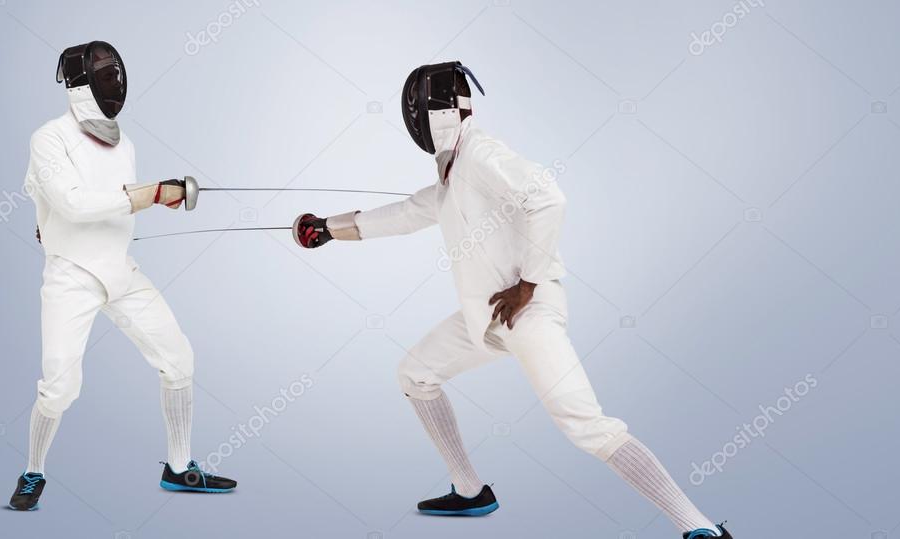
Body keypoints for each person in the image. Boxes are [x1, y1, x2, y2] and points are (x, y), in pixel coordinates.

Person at [293, 61, 730, 538]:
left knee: (586, 426)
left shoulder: (480, 154)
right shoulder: (453, 172)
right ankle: (469, 490)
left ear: (429, 111)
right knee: (416, 373)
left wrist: (530, 282)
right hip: (487, 318)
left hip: (528, 313)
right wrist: (328, 229)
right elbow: (405, 214)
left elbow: (548, 199)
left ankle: (699, 528)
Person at [9, 41, 236, 511]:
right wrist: (152, 192)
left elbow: (111, 202)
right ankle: (33, 470)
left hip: (122, 272)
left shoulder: (124, 141)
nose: (113, 83)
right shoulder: (48, 137)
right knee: (60, 388)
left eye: (114, 74)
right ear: (78, 83)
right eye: (103, 76)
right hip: (71, 277)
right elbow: (71, 203)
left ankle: (179, 467)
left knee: (179, 360)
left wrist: (156, 195)